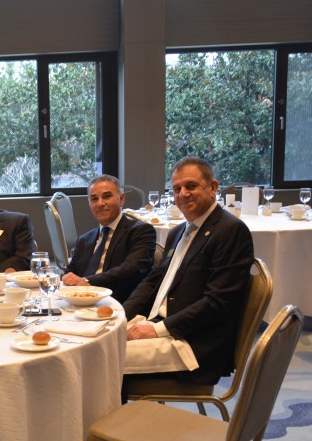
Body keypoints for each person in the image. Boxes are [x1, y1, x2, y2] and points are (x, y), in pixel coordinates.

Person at [122, 156, 254, 385]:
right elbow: (153, 281)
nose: (183, 194)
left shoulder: (231, 231)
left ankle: (118, 409)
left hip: (195, 343)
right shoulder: (177, 232)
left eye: (191, 186)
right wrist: (122, 316)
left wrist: (157, 330)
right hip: (162, 324)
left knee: (105, 358)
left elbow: (217, 302)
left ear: (213, 187)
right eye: (177, 189)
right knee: (99, 341)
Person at [62, 175, 156, 304]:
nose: (100, 203)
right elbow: (70, 272)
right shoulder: (84, 240)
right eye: (94, 199)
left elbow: (132, 269)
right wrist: (65, 278)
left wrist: (88, 281)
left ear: (121, 199)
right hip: (80, 303)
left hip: (116, 303)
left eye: (106, 196)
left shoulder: (140, 231)